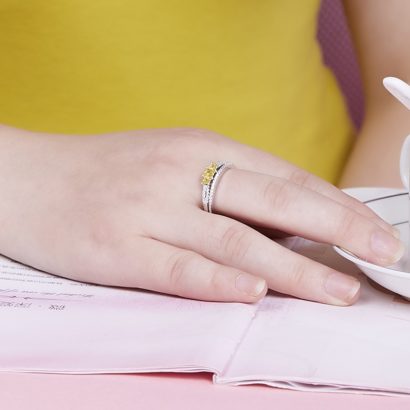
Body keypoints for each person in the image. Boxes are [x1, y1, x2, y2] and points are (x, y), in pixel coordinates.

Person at [0, 0, 407, 306]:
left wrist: (373, 252)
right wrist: (30, 182)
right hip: (30, 246)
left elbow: (400, 78)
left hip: (318, 244)